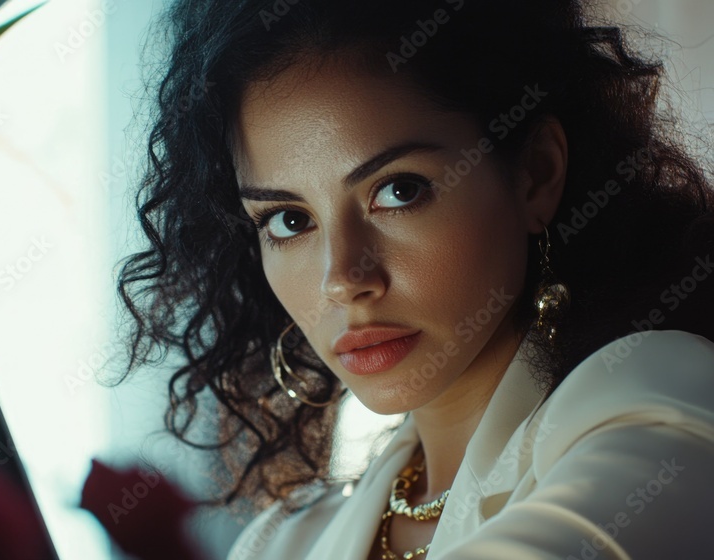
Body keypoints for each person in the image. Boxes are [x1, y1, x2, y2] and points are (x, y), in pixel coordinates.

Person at [114, 0, 714, 557]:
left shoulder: (662, 401)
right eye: (290, 220)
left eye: (399, 190)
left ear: (535, 174)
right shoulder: (284, 543)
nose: (342, 279)